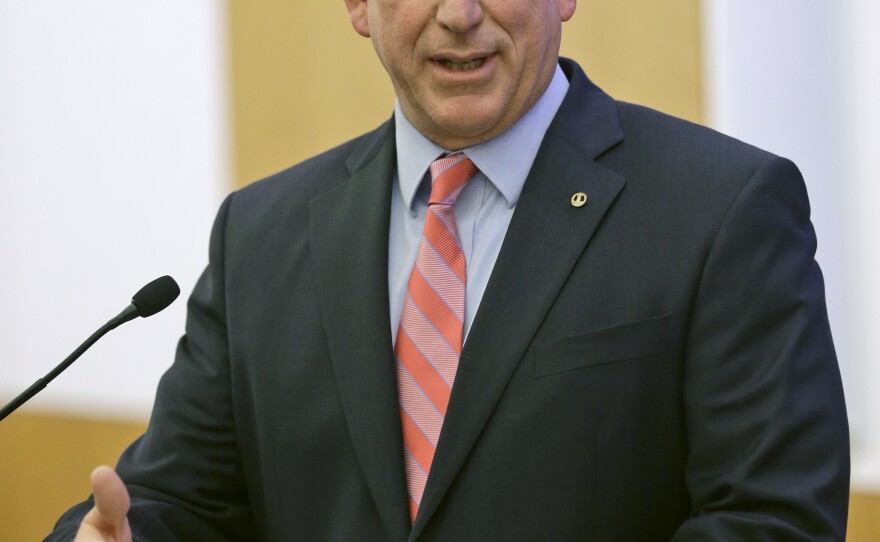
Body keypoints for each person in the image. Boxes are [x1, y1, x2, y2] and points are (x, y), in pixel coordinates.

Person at [47, 0, 850, 540]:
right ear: (358, 5)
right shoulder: (259, 235)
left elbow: (772, 521)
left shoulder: (723, 208)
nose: (460, 14)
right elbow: (176, 502)